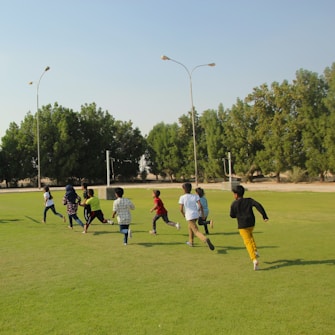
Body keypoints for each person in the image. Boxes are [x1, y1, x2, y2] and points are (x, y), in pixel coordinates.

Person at [230, 185, 269, 271]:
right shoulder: (249, 200)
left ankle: (254, 259)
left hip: (242, 225)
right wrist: (264, 216)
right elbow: (258, 205)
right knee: (250, 236)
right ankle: (255, 250)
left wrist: (238, 214)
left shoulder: (234, 204)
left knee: (247, 242)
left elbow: (232, 215)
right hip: (251, 223)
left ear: (236, 195)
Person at [178, 182, 215, 251]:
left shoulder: (182, 197)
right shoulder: (195, 196)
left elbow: (180, 209)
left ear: (184, 189)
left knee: (196, 231)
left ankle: (205, 239)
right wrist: (203, 215)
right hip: (196, 215)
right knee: (190, 227)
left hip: (189, 216)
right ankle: (191, 242)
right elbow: (200, 206)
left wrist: (183, 214)